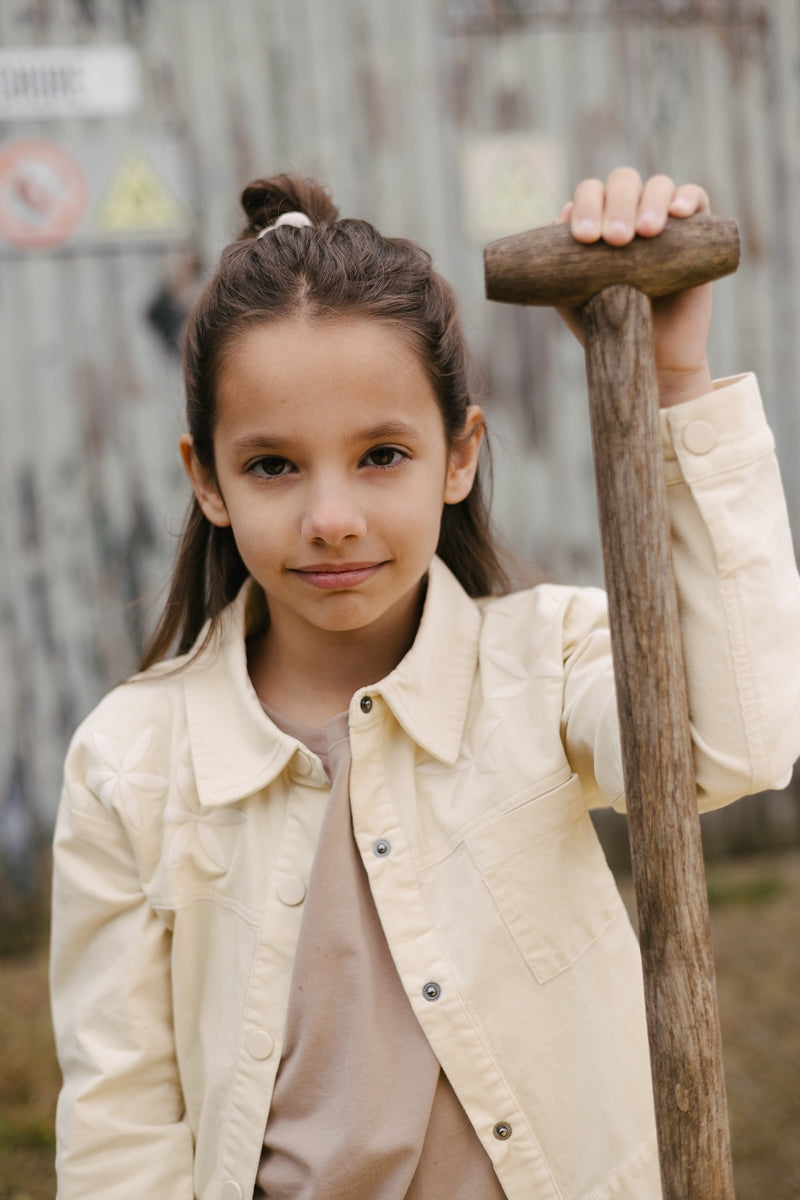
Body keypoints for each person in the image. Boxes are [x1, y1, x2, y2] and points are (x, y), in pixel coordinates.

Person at [50, 167, 800, 1200]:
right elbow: (119, 1122)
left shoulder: (545, 662)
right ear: (205, 479)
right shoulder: (127, 764)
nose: (330, 517)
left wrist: (672, 380)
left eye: (381, 455)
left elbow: (732, 743)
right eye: (272, 465)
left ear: (458, 457)